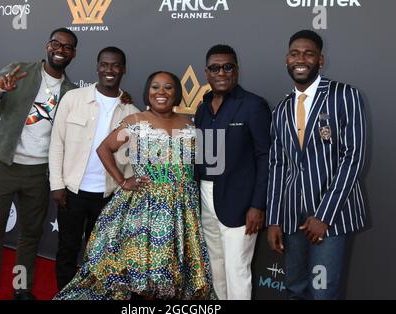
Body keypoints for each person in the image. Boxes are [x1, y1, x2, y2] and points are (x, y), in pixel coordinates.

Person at [54, 71, 214, 300]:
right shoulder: (136, 121)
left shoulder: (189, 124)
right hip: (145, 206)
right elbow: (104, 149)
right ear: (147, 93)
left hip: (181, 207)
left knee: (173, 270)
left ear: (177, 93)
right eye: (155, 87)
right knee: (141, 269)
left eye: (168, 87)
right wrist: (122, 180)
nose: (161, 92)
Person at [0, 28, 78, 300]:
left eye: (67, 47)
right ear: (47, 45)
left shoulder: (71, 92)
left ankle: (21, 288)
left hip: (39, 173)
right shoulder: (19, 70)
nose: (61, 50)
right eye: (57, 43)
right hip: (3, 166)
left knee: (30, 235)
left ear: (73, 54)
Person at [266, 30, 367, 300]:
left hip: (331, 219)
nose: (301, 59)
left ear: (320, 60)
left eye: (308, 53)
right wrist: (274, 219)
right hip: (291, 220)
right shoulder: (281, 109)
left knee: (323, 293)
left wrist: (324, 216)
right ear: (287, 59)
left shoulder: (344, 95)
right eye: (295, 53)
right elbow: (277, 165)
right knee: (295, 289)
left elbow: (353, 157)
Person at [48, 46, 138, 291]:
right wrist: (57, 185)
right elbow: (57, 143)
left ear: (124, 69)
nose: (110, 70)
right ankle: (65, 294)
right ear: (97, 67)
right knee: (67, 249)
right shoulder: (73, 98)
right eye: (105, 64)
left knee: (99, 254)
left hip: (107, 196)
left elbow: (133, 161)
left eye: (116, 65)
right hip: (72, 192)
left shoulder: (131, 111)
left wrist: (124, 190)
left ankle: (92, 295)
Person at [194, 44, 271, 300]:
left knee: (237, 270)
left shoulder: (254, 105)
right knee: (215, 269)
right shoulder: (203, 107)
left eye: (227, 67)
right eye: (215, 68)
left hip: (240, 203)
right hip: (206, 196)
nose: (221, 73)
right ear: (206, 72)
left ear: (236, 70)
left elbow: (265, 158)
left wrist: (257, 205)